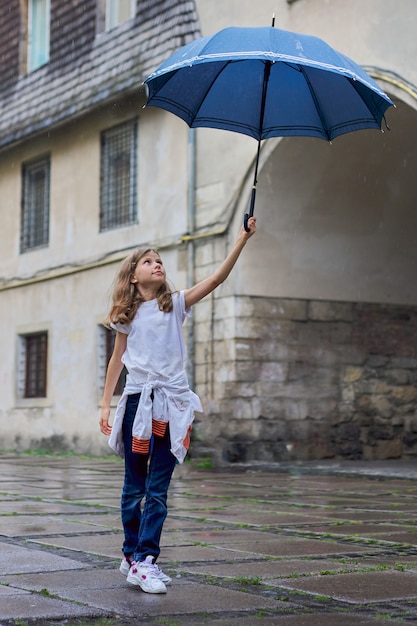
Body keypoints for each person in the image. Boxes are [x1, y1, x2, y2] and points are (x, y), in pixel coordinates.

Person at [99, 217, 256, 594]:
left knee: (158, 487)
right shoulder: (127, 315)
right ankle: (132, 555)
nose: (157, 264)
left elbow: (217, 279)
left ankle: (145, 559)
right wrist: (105, 406)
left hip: (172, 404)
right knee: (134, 486)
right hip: (138, 403)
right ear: (133, 276)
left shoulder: (177, 304)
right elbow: (117, 360)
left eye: (159, 261)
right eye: (148, 261)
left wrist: (241, 240)